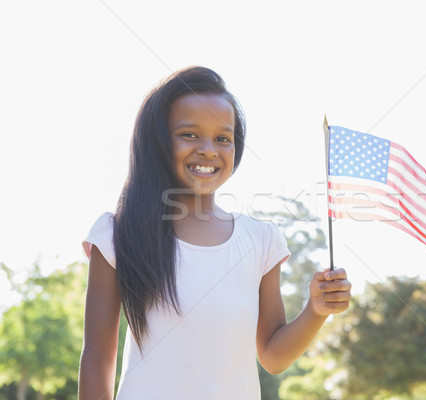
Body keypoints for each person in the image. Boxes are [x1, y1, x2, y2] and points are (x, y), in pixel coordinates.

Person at [78, 66, 352, 399]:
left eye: (223, 138)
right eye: (190, 134)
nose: (209, 149)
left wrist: (315, 310)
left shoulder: (260, 240)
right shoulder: (117, 233)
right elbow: (97, 355)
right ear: (158, 141)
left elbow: (273, 355)